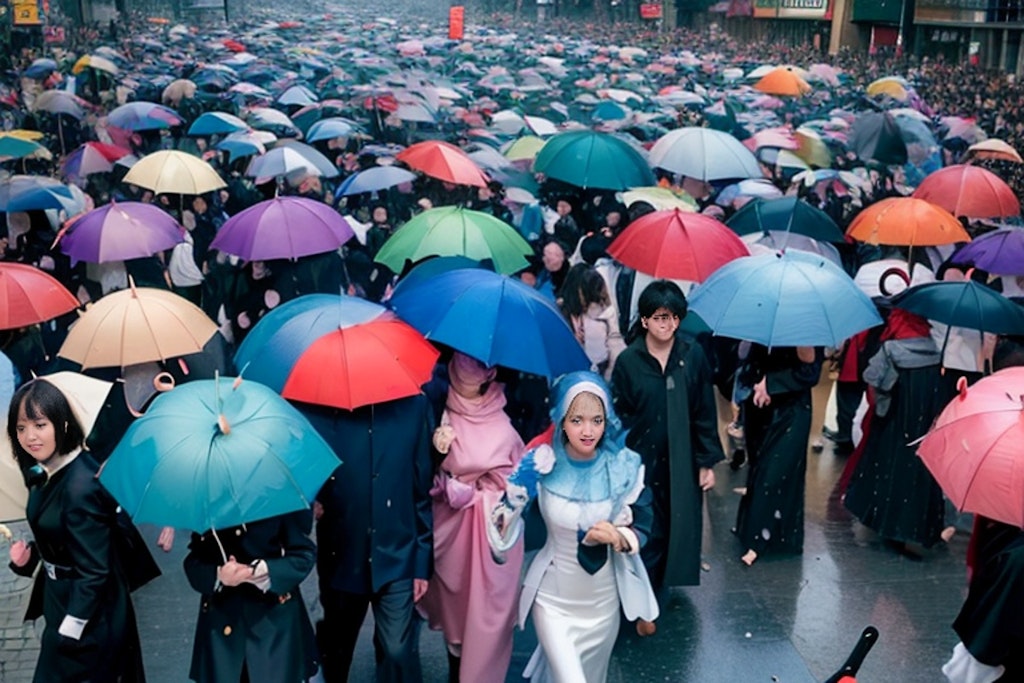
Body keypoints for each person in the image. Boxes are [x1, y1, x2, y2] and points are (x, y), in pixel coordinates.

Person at [490, 371, 657, 682]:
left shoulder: (622, 466)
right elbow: (498, 544)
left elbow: (646, 523)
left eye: (597, 419)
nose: (587, 430)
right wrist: (515, 496)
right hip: (553, 600)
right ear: (562, 420)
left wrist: (619, 536)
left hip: (603, 604)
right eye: (577, 419)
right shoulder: (542, 462)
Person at [6, 378, 157, 682]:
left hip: (90, 621)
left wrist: (71, 628)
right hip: (64, 605)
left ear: (62, 425)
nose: (30, 437)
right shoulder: (48, 471)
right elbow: (62, 543)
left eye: (39, 425)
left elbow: (94, 570)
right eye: (21, 428)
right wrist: (29, 560)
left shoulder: (79, 487)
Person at [610, 280, 724, 635]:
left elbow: (704, 410)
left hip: (681, 458)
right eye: (659, 317)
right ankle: (638, 595)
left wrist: (706, 461)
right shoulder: (629, 361)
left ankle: (657, 591)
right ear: (645, 320)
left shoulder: (692, 356)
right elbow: (620, 414)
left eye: (674, 317)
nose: (667, 325)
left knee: (676, 525)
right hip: (639, 460)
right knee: (645, 526)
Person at [299, 393, 434, 683]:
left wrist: (422, 561)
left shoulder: (415, 406)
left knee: (397, 650)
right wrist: (313, 499)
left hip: (398, 550)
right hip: (343, 549)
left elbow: (422, 487)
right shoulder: (322, 407)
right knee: (337, 647)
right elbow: (308, 466)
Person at [418, 352, 525, 683]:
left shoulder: (505, 423)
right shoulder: (435, 409)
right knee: (454, 618)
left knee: (484, 617)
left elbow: (517, 491)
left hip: (489, 539)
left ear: (491, 373)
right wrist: (437, 458)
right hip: (447, 534)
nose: (471, 369)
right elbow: (416, 469)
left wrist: (474, 495)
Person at [843, 308, 947, 552]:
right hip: (924, 426)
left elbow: (874, 381)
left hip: (895, 423)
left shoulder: (891, 349)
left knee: (890, 471)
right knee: (919, 473)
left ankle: (888, 525)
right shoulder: (936, 351)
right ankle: (919, 528)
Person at [183, 510, 319, 682]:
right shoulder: (209, 502)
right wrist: (217, 575)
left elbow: (303, 555)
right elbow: (194, 562)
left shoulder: (281, 496)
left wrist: (265, 570)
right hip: (222, 630)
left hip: (273, 629)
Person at [734, 344, 822, 566]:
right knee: (757, 468)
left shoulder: (807, 329)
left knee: (774, 473)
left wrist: (771, 383)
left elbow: (809, 374)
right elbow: (748, 357)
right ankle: (750, 528)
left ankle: (759, 540)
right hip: (759, 407)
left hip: (790, 411)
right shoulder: (765, 320)